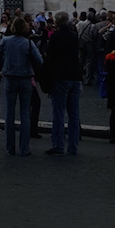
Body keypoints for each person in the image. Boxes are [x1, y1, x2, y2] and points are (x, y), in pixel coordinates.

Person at [0, 16, 43, 157]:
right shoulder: (28, 43)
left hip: (9, 77)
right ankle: (24, 148)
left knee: (9, 113)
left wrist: (4, 67)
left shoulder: (6, 41)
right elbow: (39, 61)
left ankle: (10, 147)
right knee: (25, 113)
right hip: (25, 78)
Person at [42, 11, 81, 155]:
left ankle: (58, 145)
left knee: (58, 113)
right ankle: (73, 146)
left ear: (57, 22)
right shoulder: (74, 36)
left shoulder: (56, 37)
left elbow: (49, 56)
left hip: (60, 77)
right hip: (75, 77)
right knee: (74, 115)